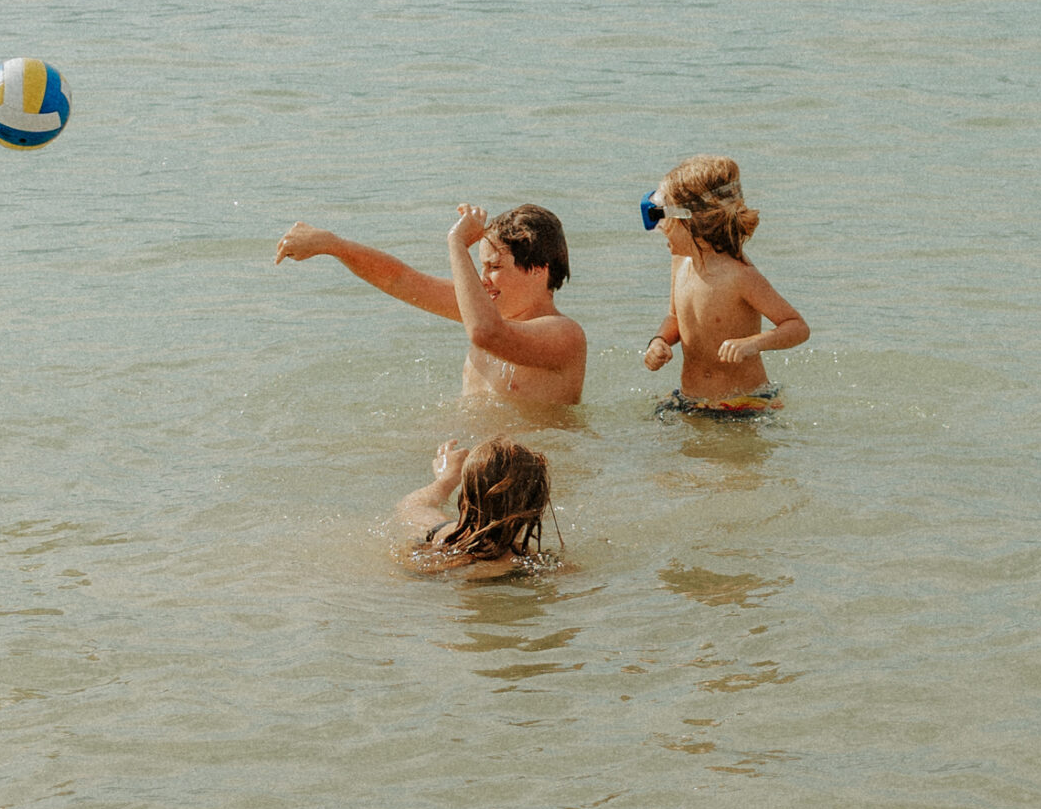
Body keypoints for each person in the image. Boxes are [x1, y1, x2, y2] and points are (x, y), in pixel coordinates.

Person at [275, 202, 587, 405]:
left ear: (538, 270)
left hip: (525, 476)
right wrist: (335, 245)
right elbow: (400, 280)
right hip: (471, 459)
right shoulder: (488, 312)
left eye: (494, 267)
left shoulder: (564, 335)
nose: (482, 279)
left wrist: (456, 243)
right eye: (481, 266)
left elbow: (485, 334)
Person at [642, 155, 809, 415]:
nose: (660, 228)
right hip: (690, 399)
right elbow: (675, 316)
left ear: (693, 221)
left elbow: (797, 327)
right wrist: (659, 341)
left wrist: (753, 343)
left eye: (664, 219)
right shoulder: (680, 261)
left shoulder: (740, 275)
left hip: (743, 402)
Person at [395, 436, 555, 577]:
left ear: (465, 498)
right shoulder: (536, 565)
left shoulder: (443, 536)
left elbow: (412, 506)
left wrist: (446, 479)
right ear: (536, 505)